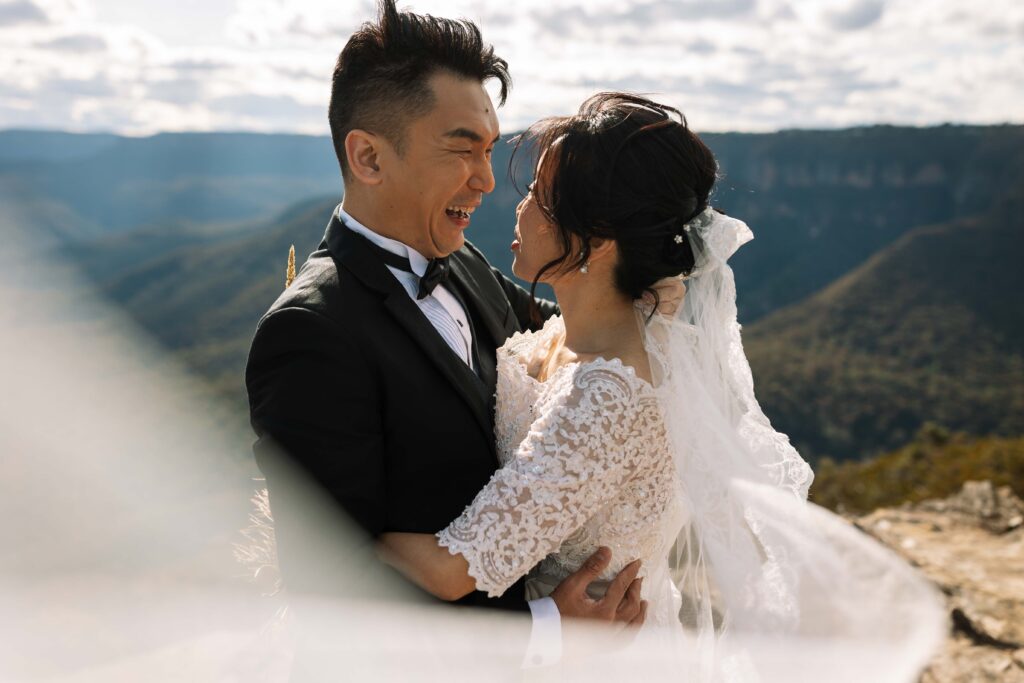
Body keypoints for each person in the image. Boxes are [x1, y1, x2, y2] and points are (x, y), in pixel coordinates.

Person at [376, 92, 947, 680]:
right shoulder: (588, 332)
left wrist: (334, 519)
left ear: (598, 241)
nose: (516, 207)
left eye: (539, 198)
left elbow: (449, 572)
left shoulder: (608, 399)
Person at [244, 0, 645, 673]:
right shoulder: (309, 334)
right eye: (462, 150)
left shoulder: (463, 263)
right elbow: (336, 597)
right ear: (368, 157)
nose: (486, 180)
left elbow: (579, 341)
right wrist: (544, 631)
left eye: (489, 151)